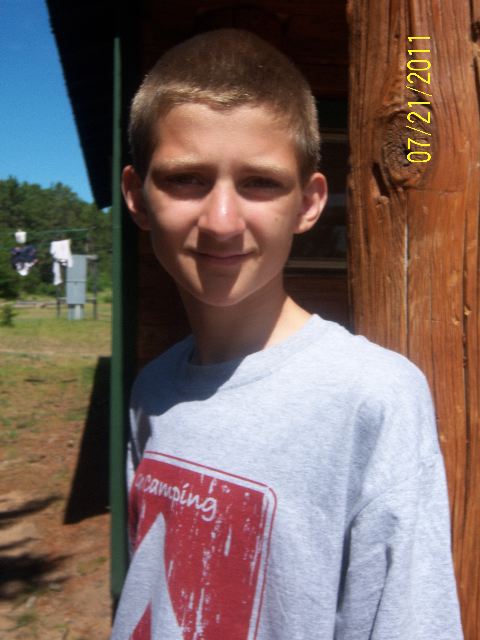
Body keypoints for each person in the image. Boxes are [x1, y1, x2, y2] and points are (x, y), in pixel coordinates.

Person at [110, 29, 463, 640]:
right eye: (187, 179)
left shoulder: (373, 397)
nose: (222, 221)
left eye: (261, 182)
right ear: (137, 197)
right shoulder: (153, 389)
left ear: (309, 203)